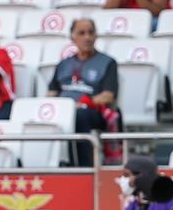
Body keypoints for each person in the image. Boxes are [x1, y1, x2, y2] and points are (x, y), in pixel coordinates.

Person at [47, 19, 119, 167]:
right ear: (72, 38)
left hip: (91, 111)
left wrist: (84, 103)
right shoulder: (63, 64)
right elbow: (51, 93)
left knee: (80, 116)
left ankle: (83, 167)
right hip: (63, 110)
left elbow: (108, 95)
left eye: (91, 33)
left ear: (96, 36)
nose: (87, 37)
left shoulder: (108, 62)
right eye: (81, 33)